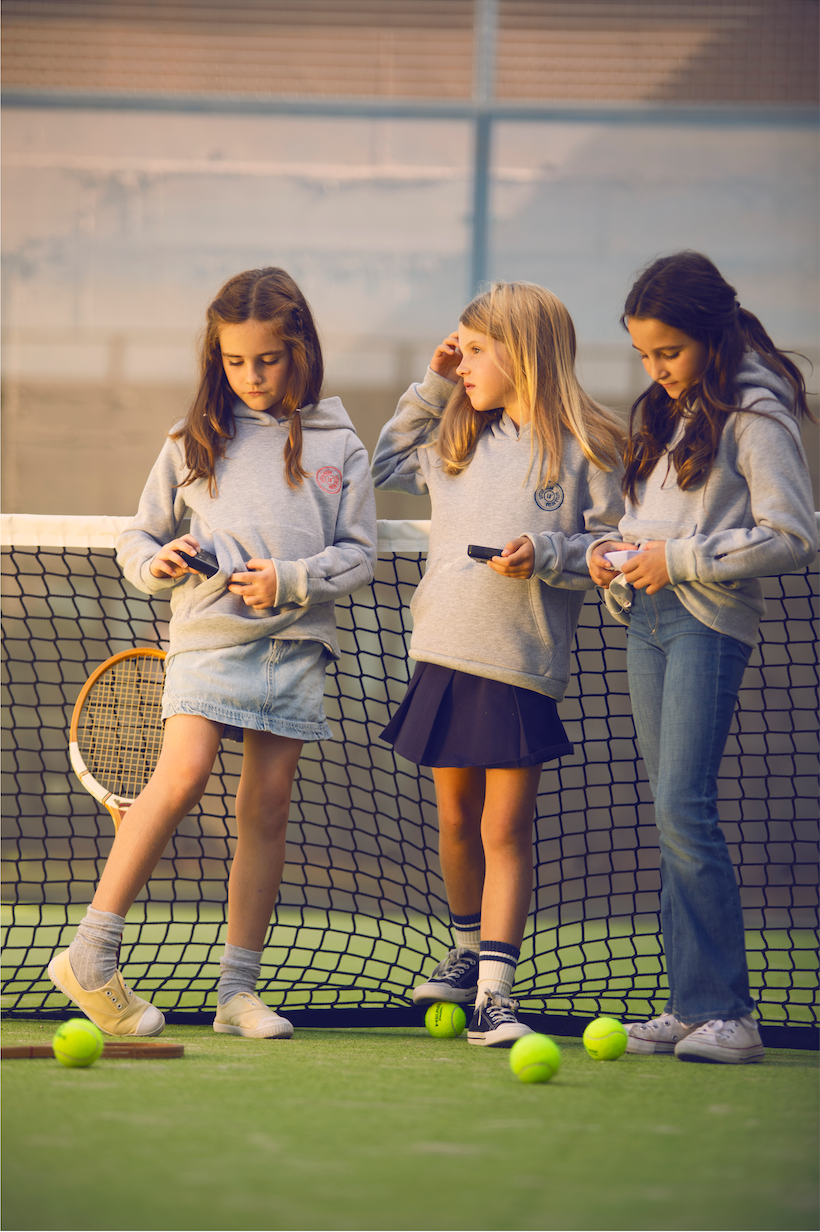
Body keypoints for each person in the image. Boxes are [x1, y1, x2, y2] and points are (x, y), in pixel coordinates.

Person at [49, 267, 377, 1040]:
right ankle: (89, 954)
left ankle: (237, 994)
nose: (251, 376)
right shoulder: (193, 438)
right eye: (235, 361)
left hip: (295, 647)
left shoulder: (340, 444)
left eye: (266, 359)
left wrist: (291, 580)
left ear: (300, 348)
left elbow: (358, 553)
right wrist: (153, 564)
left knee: (264, 810)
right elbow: (140, 534)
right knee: (184, 775)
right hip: (206, 639)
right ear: (216, 357)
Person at [372, 281, 625, 1046]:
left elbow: (612, 549)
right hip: (444, 654)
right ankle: (463, 949)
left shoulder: (589, 447)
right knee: (455, 819)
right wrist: (435, 379)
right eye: (462, 348)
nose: (466, 361)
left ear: (525, 353)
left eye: (477, 349)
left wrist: (546, 554)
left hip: (519, 664)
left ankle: (495, 996)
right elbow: (381, 463)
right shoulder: (455, 435)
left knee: (504, 829)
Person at [588, 250, 817, 1064]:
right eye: (645, 354)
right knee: (667, 808)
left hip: (705, 625)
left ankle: (730, 1013)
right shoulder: (666, 411)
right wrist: (615, 556)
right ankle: (691, 1008)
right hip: (643, 620)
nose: (656, 370)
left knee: (685, 805)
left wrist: (675, 560)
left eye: (669, 352)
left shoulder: (757, 412)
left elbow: (792, 535)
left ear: (711, 336)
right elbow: (648, 524)